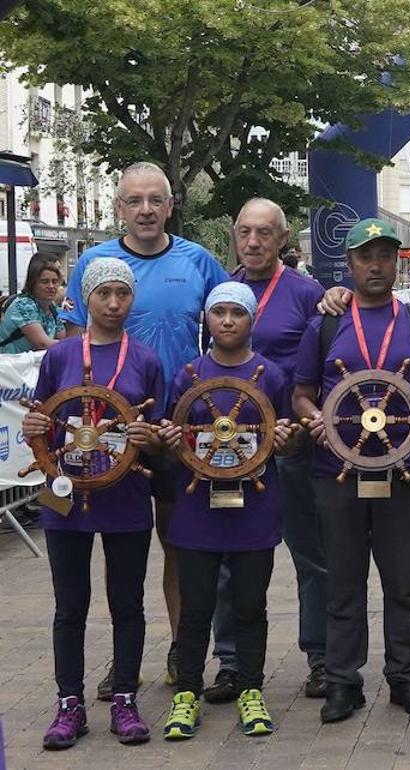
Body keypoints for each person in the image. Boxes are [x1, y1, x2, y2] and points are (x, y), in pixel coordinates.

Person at [60, 162, 230, 696]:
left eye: (156, 199)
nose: (146, 210)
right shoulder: (93, 261)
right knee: (118, 548)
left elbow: (234, 321)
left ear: (172, 204)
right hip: (111, 434)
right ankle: (124, 664)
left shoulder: (199, 260)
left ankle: (184, 653)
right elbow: (70, 351)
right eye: (134, 201)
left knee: (181, 541)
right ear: (119, 208)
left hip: (179, 428)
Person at [293, 218, 410, 724]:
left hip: (406, 472)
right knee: (343, 581)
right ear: (351, 263)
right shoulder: (326, 325)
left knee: (404, 583)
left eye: (385, 255)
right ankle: (344, 681)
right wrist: (312, 418)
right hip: (334, 472)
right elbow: (300, 393)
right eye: (366, 257)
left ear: (396, 261)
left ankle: (405, 678)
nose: (376, 265)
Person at [200, 199, 331, 705]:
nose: (252, 242)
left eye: (264, 233)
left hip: (290, 446)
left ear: (282, 240)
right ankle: (231, 662)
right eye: (244, 231)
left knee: (310, 556)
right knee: (229, 558)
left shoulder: (308, 293)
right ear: (235, 235)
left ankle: (319, 657)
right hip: (231, 446)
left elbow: (324, 362)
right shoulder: (221, 292)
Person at [31, 258, 164, 749]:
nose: (113, 303)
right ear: (85, 298)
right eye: (103, 293)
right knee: (70, 606)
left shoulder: (147, 360)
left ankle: (125, 698)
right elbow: (42, 420)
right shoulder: (60, 356)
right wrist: (33, 429)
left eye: (122, 294)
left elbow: (161, 437)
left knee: (127, 603)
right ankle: (70, 704)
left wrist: (151, 436)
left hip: (126, 496)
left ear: (132, 300)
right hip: (63, 496)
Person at [156, 283, 295, 740]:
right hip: (198, 509)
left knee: (251, 605)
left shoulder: (271, 375)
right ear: (208, 321)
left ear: (252, 320)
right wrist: (171, 443)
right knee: (196, 606)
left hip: (254, 507)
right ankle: (187, 694)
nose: (229, 320)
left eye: (238, 312)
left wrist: (290, 438)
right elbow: (170, 434)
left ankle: (251, 690)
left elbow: (287, 434)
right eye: (220, 313)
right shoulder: (188, 375)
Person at [0, 255, 65, 353]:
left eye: (55, 281)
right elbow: (42, 344)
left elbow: (63, 340)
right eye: (44, 282)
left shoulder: (52, 308)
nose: (51, 286)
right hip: (8, 366)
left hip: (30, 366)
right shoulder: (23, 304)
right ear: (32, 283)